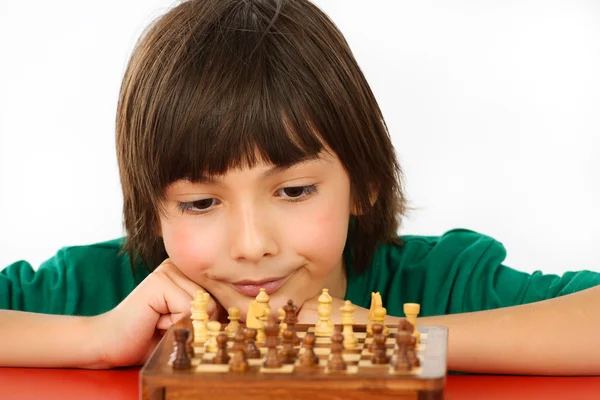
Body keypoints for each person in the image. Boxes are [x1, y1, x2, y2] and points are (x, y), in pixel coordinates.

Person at [1, 0, 599, 374]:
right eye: (201, 203)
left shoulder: (437, 282)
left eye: (292, 192)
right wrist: (93, 337)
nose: (253, 244)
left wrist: (401, 337)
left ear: (363, 182)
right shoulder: (100, 290)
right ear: (152, 211)